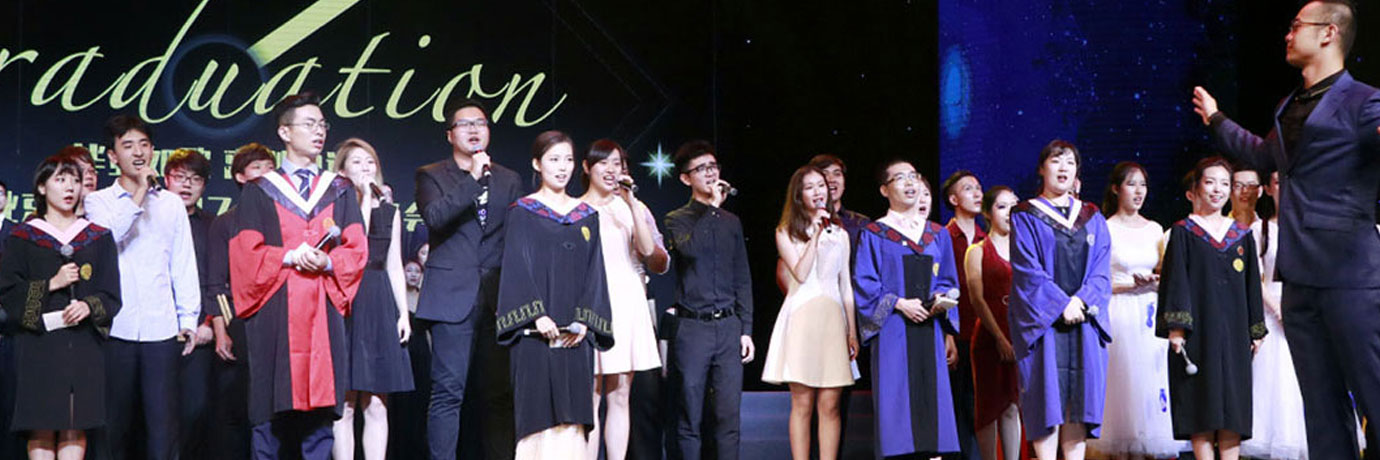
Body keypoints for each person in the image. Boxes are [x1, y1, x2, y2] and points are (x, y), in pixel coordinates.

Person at [1192, 2, 1380, 456]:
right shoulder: (1289, 105)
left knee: (1373, 389)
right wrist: (1216, 119)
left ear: (1329, 33)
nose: (1288, 35)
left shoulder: (1365, 101)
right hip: (1298, 274)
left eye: (1296, 26)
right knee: (1320, 403)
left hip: (1349, 271)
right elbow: (1264, 155)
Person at [228, 93, 368, 459]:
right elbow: (244, 254)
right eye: (309, 124)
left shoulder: (339, 190)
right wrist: (290, 256)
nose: (319, 131)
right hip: (275, 311)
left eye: (322, 124)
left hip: (323, 310)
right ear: (285, 132)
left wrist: (327, 262)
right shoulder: (259, 191)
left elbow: (356, 248)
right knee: (269, 413)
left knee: (319, 418)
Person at [84, 114, 201, 460]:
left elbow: (183, 262)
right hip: (115, 328)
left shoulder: (171, 204)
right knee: (113, 426)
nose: (138, 153)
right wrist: (138, 193)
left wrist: (188, 318)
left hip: (160, 329)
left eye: (144, 145)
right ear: (112, 156)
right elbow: (107, 241)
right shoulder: (97, 202)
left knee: (163, 427)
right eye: (128, 146)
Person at [414, 98, 524, 460]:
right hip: (451, 297)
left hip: (497, 297)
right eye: (465, 124)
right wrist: (474, 178)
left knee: (498, 394)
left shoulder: (509, 179)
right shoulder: (431, 175)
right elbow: (436, 217)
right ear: (450, 135)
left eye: (481, 123)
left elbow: (515, 238)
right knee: (448, 392)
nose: (474, 129)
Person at [496, 130, 615, 458]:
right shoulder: (523, 212)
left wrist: (586, 320)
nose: (562, 167)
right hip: (536, 335)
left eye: (568, 160)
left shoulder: (585, 215)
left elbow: (595, 272)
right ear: (537, 164)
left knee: (573, 414)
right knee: (538, 413)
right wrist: (536, 315)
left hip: (575, 335)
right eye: (554, 159)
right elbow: (517, 267)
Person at [0, 154, 121, 460]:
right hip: (38, 344)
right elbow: (9, 294)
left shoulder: (97, 237)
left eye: (76, 181)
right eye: (61, 179)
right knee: (40, 426)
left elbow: (111, 294)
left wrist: (89, 306)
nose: (70, 187)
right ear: (42, 187)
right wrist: (51, 284)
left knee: (74, 426)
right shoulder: (22, 237)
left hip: (83, 344)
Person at [1156, 157, 1265, 460]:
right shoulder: (1184, 232)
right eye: (1210, 182)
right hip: (1198, 331)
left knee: (1234, 407)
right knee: (1200, 405)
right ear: (1196, 188)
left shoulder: (1241, 234)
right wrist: (1177, 328)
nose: (1217, 189)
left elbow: (1252, 285)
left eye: (1224, 184)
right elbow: (1175, 281)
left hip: (1235, 332)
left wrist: (1256, 329)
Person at [1008, 140, 1111, 460]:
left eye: (1070, 162)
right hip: (1045, 325)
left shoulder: (1092, 216)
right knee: (1046, 401)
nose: (1063, 167)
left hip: (1084, 320)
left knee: (1079, 404)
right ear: (1042, 169)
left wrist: (1081, 301)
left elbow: (1101, 269)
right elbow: (1027, 270)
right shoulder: (1025, 215)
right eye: (1056, 160)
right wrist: (1061, 304)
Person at [853, 159, 961, 458]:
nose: (910, 182)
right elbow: (864, 283)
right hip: (894, 331)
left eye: (914, 176)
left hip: (930, 328)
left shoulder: (936, 234)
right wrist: (898, 303)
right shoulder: (875, 233)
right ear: (884, 190)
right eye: (900, 178)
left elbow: (949, 280)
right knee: (897, 404)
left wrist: (941, 299)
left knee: (934, 406)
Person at [664, 140, 754, 460]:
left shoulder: (731, 222)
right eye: (701, 169)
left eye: (713, 167)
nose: (710, 174)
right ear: (685, 178)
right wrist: (713, 209)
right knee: (689, 415)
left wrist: (746, 329)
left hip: (728, 327)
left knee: (728, 417)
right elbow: (690, 250)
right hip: (693, 328)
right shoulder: (676, 219)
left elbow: (742, 277)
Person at [577, 139, 667, 460]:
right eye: (603, 163)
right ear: (587, 167)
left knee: (621, 394)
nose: (611, 170)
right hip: (593, 304)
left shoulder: (633, 207)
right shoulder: (576, 209)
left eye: (617, 163)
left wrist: (632, 204)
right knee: (591, 396)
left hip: (628, 302)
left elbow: (648, 250)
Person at [761, 165, 858, 460]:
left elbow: (845, 286)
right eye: (810, 187)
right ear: (799, 195)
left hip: (833, 319)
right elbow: (801, 274)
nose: (818, 192)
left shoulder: (840, 234)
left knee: (830, 405)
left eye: (821, 186)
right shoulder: (785, 232)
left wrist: (852, 331)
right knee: (802, 404)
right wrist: (814, 236)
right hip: (802, 319)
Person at [1087, 162, 1183, 460]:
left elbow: (1167, 274)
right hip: (1119, 312)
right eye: (1131, 184)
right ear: (1116, 189)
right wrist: (1129, 284)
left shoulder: (1155, 229)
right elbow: (1095, 281)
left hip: (1150, 313)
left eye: (1143, 185)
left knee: (1151, 383)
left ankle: (1149, 447)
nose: (1139, 191)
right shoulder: (1104, 227)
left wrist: (1154, 282)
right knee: (1124, 383)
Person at [330, 138, 414, 460]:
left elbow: (394, 264)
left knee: (377, 403)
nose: (365, 168)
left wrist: (402, 313)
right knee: (346, 402)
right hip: (348, 298)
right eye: (356, 162)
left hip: (379, 300)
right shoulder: (336, 208)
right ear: (341, 171)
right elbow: (356, 245)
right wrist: (364, 199)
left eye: (370, 162)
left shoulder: (390, 211)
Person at [205, 142, 276, 460]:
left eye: (270, 168)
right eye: (257, 168)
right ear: (240, 176)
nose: (265, 174)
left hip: (278, 316)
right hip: (241, 319)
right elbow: (216, 282)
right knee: (240, 404)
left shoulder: (284, 219)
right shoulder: (226, 222)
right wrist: (222, 329)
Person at [1239, 170, 1309, 460]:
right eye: (1278, 182)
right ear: (1267, 189)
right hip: (1273, 313)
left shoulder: (1308, 227)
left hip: (1305, 315)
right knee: (1274, 389)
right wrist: (1278, 310)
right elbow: (1254, 279)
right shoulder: (1259, 230)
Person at [161, 149, 219, 460]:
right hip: (154, 333)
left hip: (199, 334)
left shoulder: (213, 226)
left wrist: (209, 323)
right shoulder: (149, 220)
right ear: (166, 179)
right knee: (156, 414)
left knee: (196, 412)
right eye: (180, 177)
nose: (187, 185)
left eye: (195, 179)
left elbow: (219, 279)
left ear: (205, 186)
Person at [965, 186, 1022, 460]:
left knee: (1012, 404)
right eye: (1002, 206)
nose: (1009, 212)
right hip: (990, 337)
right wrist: (999, 338)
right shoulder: (977, 251)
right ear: (987, 213)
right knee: (988, 408)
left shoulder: (1024, 249)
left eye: (1014, 206)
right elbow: (977, 299)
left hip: (1019, 335)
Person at [941, 170, 984, 460]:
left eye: (979, 188)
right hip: (956, 334)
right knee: (957, 404)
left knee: (980, 404)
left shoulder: (986, 238)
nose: (977, 193)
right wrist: (948, 334)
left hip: (985, 332)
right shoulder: (942, 237)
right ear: (954, 199)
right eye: (969, 189)